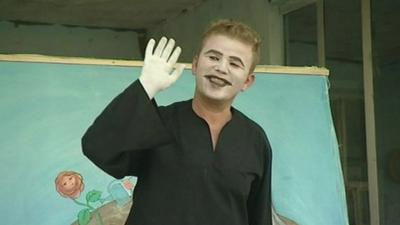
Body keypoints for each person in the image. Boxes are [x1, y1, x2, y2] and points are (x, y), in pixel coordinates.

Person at [82, 19, 272, 225]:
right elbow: (98, 147)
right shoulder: (159, 122)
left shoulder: (254, 140)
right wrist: (146, 87)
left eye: (235, 63)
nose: (221, 67)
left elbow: (259, 216)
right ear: (195, 64)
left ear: (247, 81)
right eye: (214, 57)